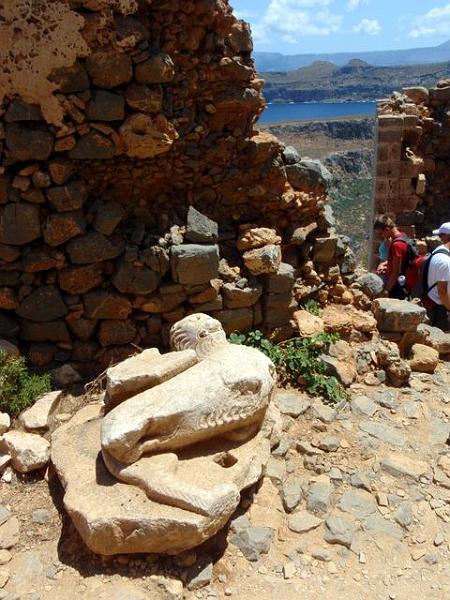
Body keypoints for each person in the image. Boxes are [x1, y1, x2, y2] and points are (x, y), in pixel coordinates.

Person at [373, 215, 409, 299]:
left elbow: (396, 272)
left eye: (381, 233)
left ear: (387, 229)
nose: (381, 236)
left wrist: (386, 290)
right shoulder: (402, 236)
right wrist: (385, 264)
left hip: (396, 286)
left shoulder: (397, 245)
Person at [424, 222, 450, 331]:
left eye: (441, 235)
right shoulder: (445, 261)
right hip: (442, 309)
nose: (439, 238)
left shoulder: (438, 250)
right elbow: (442, 291)